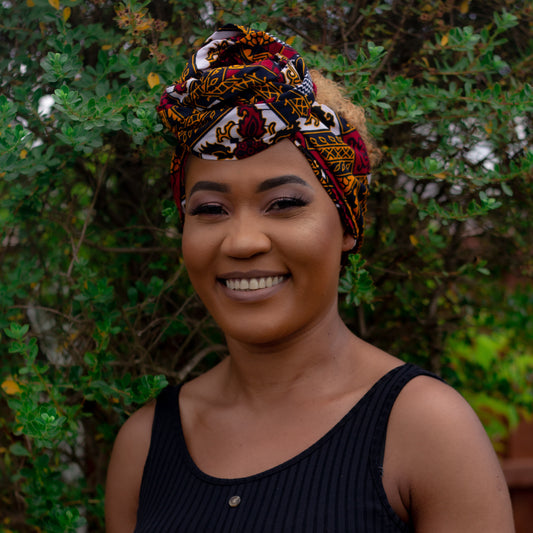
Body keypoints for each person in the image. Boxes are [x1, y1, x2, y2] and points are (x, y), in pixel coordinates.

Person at [105, 24, 514, 532]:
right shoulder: (144, 448)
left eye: (284, 204)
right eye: (210, 208)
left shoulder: (427, 430)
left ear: (346, 225)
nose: (242, 241)